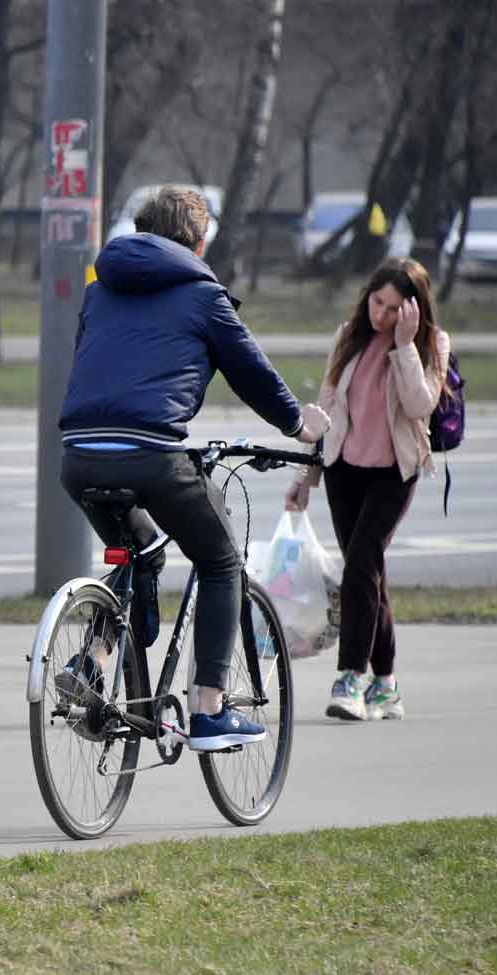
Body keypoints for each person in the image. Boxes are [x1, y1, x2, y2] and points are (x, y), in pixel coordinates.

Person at [59, 185, 329, 752]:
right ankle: (209, 710)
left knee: (140, 551)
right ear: (198, 241)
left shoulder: (99, 287)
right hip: (152, 456)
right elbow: (250, 371)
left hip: (79, 455)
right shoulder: (203, 293)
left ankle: (93, 661)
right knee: (220, 557)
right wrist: (297, 426)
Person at [286, 258, 448, 723]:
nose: (382, 315)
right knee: (367, 572)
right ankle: (387, 685)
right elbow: (327, 407)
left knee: (360, 565)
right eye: (378, 302)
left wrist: (403, 348)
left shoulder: (430, 344)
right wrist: (304, 478)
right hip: (343, 471)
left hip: (393, 474)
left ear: (413, 310)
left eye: (394, 308)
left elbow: (421, 404)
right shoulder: (349, 336)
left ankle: (350, 678)